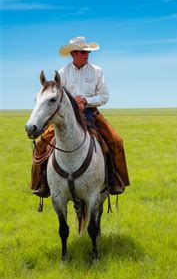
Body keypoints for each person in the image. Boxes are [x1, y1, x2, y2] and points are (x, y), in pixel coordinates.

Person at [30, 36, 130, 197]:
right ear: (73, 54)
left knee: (116, 141)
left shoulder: (97, 71)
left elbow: (104, 96)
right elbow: (58, 97)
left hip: (91, 113)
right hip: (67, 117)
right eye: (83, 52)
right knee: (41, 143)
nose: (87, 55)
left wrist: (86, 100)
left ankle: (115, 180)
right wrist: (73, 104)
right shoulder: (62, 73)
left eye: (87, 52)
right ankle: (41, 183)